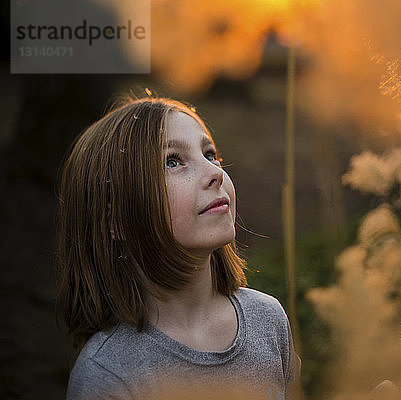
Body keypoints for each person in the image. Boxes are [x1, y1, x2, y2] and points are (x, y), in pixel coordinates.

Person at [56, 97, 300, 400]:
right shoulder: (108, 373)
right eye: (173, 161)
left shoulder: (268, 320)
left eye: (210, 154)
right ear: (116, 220)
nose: (216, 173)